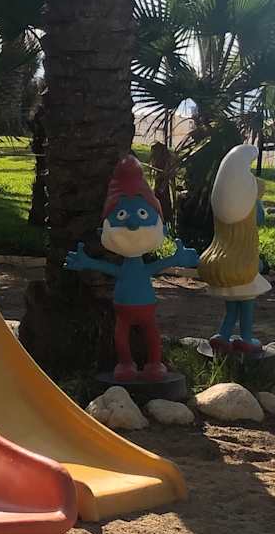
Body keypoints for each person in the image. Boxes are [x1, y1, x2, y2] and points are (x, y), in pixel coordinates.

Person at [64, 154, 197, 380]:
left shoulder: (135, 265)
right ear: (102, 231)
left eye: (142, 214)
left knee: (150, 332)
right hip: (124, 306)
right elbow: (111, 269)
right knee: (122, 334)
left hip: (144, 305)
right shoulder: (128, 265)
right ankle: (126, 363)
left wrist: (177, 258)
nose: (133, 223)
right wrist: (86, 262)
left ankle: (154, 363)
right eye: (122, 215)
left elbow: (155, 266)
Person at [197, 143, 271, 355]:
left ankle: (223, 335)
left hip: (225, 264)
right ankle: (246, 338)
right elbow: (261, 219)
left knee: (231, 310)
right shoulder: (249, 208)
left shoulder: (222, 211)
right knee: (246, 308)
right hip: (245, 266)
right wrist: (257, 201)